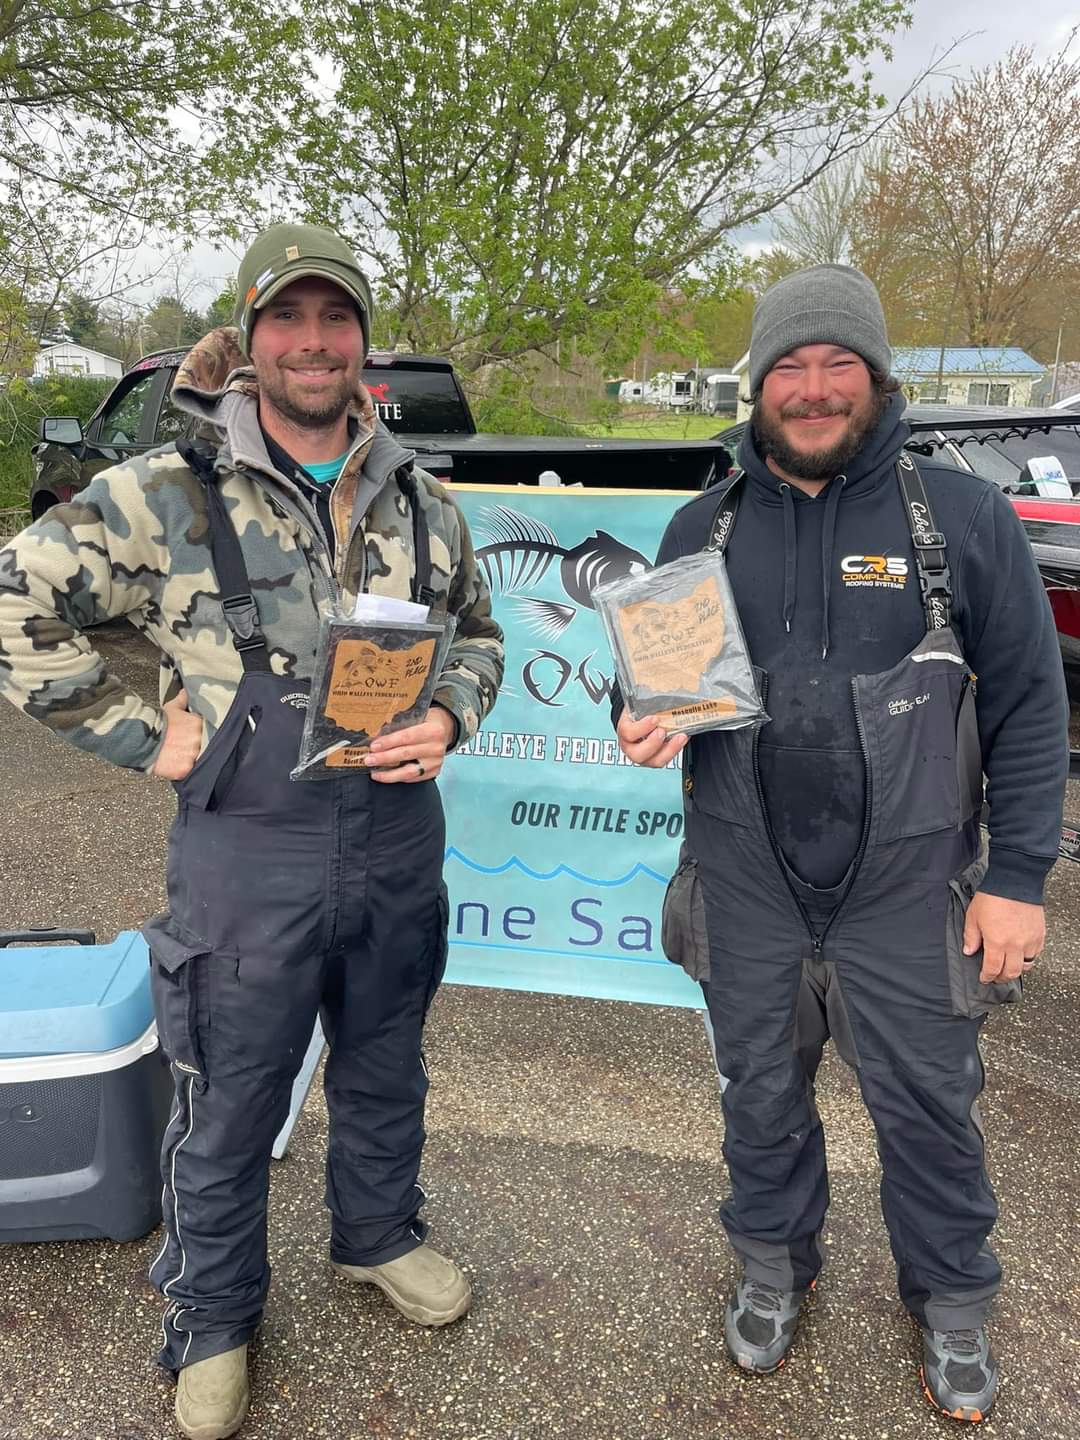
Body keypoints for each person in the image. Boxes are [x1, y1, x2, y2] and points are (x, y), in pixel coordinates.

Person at [0, 223, 503, 1440]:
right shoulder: (168, 494)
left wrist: (447, 711)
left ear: (363, 344)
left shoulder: (425, 501)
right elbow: (16, 603)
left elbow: (481, 634)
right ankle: (214, 1316)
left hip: (396, 848)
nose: (315, 343)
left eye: (338, 321)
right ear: (253, 336)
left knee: (387, 1069)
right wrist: (140, 733)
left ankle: (376, 1237)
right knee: (227, 1100)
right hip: (247, 860)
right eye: (291, 319)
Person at [615, 265, 1068, 1422]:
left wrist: (1017, 879)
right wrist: (634, 718)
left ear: (875, 378)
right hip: (746, 883)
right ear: (758, 384)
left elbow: (1027, 709)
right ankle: (774, 1267)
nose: (813, 390)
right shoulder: (699, 522)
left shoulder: (955, 520)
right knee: (758, 1098)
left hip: (909, 891)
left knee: (930, 1108)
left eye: (838, 365)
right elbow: (650, 686)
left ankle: (954, 1304)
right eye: (790, 368)